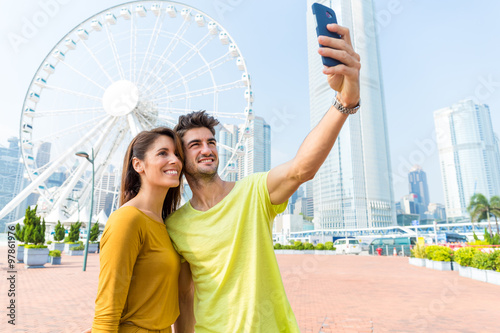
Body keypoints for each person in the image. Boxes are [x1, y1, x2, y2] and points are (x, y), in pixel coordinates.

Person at [167, 23, 361, 332]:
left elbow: (301, 168)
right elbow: (183, 295)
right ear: (180, 157)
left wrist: (344, 103)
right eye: (195, 145)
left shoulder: (253, 191)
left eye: (211, 142)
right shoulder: (175, 225)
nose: (207, 149)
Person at [91, 127, 184, 333]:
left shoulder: (165, 224)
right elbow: (107, 309)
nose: (175, 160)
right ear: (138, 164)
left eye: (177, 154)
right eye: (163, 153)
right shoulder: (127, 219)